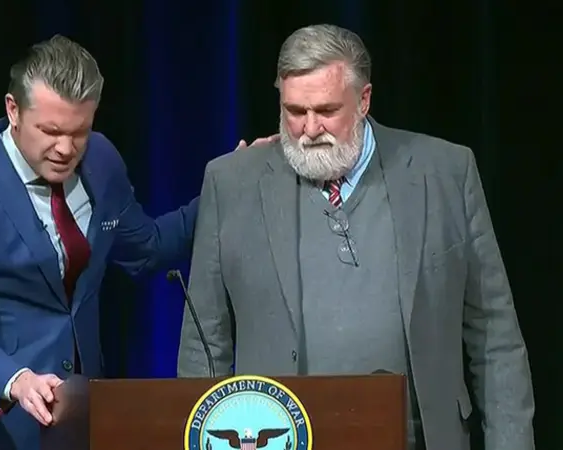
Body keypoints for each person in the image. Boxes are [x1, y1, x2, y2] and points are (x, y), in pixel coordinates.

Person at [0, 34, 274, 450]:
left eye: (79, 131)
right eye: (50, 131)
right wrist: (15, 380)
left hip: (75, 428)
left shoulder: (100, 160)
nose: (65, 148)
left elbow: (147, 247)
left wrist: (227, 187)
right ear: (13, 110)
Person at [177, 24, 535, 450]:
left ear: (364, 100)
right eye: (294, 111)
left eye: (326, 110)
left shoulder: (445, 173)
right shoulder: (231, 183)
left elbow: (494, 337)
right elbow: (205, 344)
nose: (308, 129)